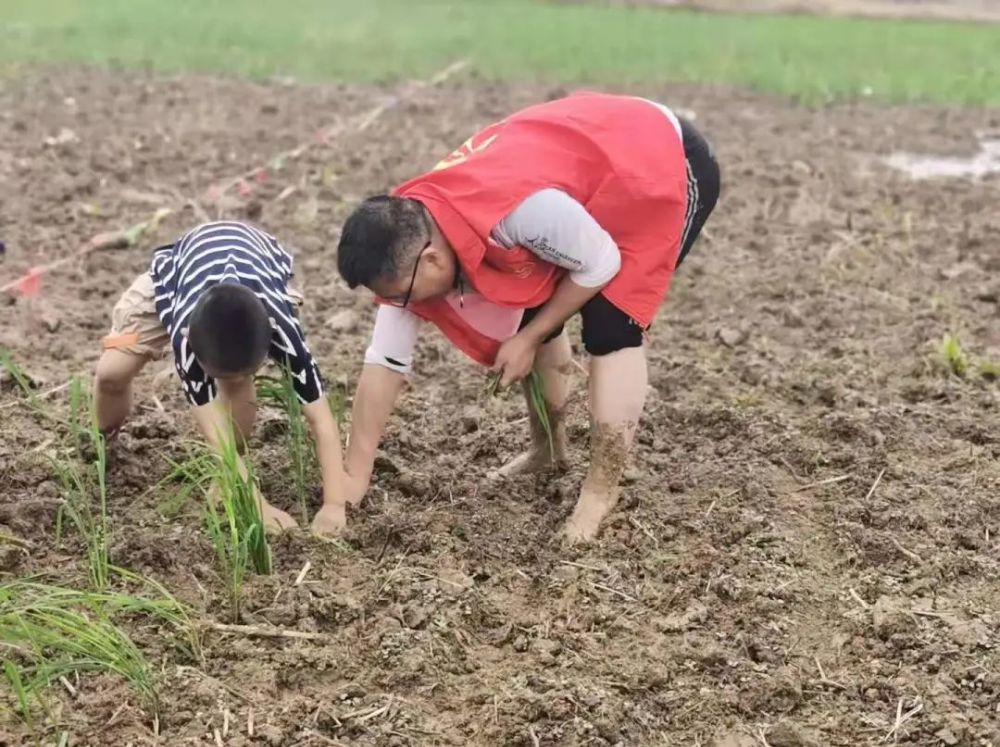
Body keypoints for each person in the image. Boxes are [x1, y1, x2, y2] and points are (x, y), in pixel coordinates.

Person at [336, 92, 720, 542]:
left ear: (434, 260)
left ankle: (601, 489)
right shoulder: (405, 234)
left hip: (655, 163)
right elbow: (384, 363)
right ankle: (549, 450)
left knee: (611, 321)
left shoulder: (519, 212)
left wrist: (531, 337)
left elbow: (600, 263)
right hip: (574, 172)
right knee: (530, 303)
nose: (403, 307)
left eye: (402, 296)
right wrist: (352, 483)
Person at [94, 221, 346, 534]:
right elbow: (214, 431)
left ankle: (229, 477)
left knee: (235, 386)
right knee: (111, 374)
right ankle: (101, 444)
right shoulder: (186, 338)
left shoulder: (283, 333)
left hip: (260, 265)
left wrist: (334, 505)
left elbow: (321, 420)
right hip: (174, 275)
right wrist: (258, 506)